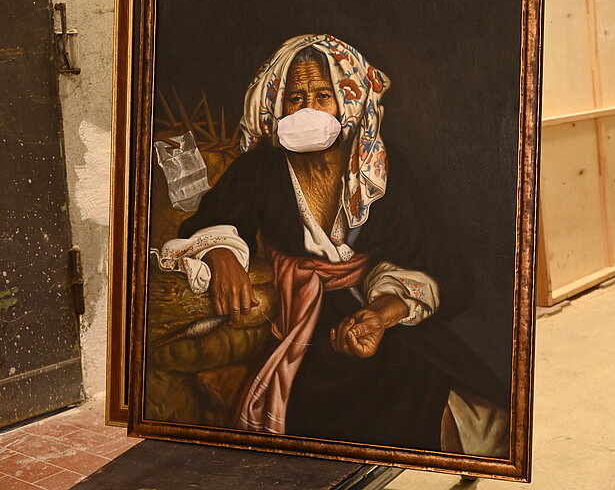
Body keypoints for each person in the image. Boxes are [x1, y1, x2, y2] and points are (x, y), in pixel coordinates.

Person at [153, 34, 509, 456]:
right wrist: (220, 253)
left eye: (322, 96)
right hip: (305, 324)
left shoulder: (379, 169)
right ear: (278, 104)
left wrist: (382, 314)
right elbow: (214, 220)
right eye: (296, 97)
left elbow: (445, 268)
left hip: (378, 316)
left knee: (432, 388)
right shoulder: (263, 167)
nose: (307, 109)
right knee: (324, 404)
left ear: (348, 103)